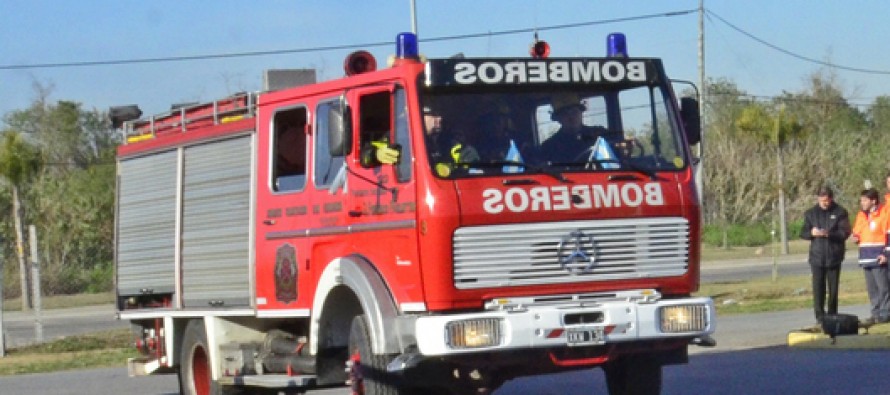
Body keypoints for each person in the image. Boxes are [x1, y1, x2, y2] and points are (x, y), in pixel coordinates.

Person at [800, 186, 851, 325]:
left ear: (831, 199)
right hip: (817, 257)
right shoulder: (811, 213)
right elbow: (803, 232)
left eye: (827, 201)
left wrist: (828, 233)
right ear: (818, 199)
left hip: (834, 256)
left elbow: (844, 233)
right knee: (818, 288)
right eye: (822, 201)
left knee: (833, 289)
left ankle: (832, 315)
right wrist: (812, 233)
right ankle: (819, 317)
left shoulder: (840, 212)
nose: (824, 203)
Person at [539, 94, 622, 162]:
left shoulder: (600, 135)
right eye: (565, 114)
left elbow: (617, 155)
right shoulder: (549, 147)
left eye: (574, 111)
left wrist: (622, 148)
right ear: (558, 118)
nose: (571, 117)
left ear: (581, 113)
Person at [851, 188, 890, 324]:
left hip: (878, 256)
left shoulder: (883, 214)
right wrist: (855, 237)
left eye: (865, 200)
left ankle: (885, 313)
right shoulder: (861, 215)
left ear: (873, 201)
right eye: (861, 200)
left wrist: (886, 253)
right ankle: (875, 313)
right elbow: (857, 231)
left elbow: (888, 235)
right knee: (872, 289)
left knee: (883, 288)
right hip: (865, 257)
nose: (862, 203)